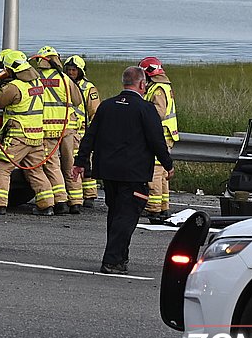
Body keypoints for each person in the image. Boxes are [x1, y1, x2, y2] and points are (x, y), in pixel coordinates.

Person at [72, 66, 174, 275]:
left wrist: (80, 161)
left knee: (117, 214)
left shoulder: (107, 106)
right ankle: (111, 260)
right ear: (142, 84)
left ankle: (120, 257)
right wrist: (168, 164)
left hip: (108, 172)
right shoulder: (146, 109)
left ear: (124, 83)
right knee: (127, 216)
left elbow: (90, 136)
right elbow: (157, 141)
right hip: (134, 173)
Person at [0, 50, 54, 216]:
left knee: (2, 168)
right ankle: (47, 205)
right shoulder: (38, 83)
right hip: (36, 136)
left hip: (19, 136)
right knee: (35, 170)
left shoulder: (15, 87)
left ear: (10, 70)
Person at [31, 47, 83, 215]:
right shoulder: (65, 78)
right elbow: (77, 100)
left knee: (53, 166)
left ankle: (60, 201)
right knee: (70, 165)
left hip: (46, 130)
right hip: (67, 128)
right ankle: (76, 202)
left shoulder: (36, 79)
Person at [139, 56, 179, 219]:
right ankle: (163, 206)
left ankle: (154, 208)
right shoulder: (162, 86)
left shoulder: (158, 89)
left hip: (159, 134)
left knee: (154, 173)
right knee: (162, 173)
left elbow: (158, 113)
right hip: (165, 134)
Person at [65, 55, 102, 208]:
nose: (71, 72)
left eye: (74, 70)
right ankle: (78, 195)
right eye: (69, 69)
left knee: (86, 164)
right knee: (75, 165)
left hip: (83, 131)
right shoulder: (64, 84)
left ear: (80, 71)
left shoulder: (88, 88)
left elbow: (95, 112)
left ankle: (90, 195)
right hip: (69, 131)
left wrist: (92, 133)